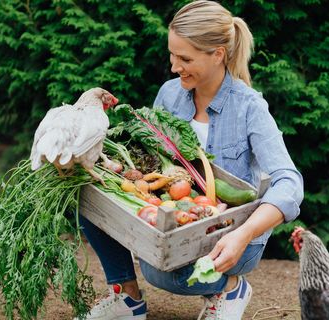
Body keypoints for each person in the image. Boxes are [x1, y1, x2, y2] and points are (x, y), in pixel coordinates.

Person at [78, 1, 304, 319]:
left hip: (230, 235)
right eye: (172, 55)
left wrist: (244, 233)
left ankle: (231, 288)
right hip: (178, 219)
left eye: (185, 58)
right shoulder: (170, 95)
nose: (174, 66)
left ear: (218, 54)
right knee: (87, 192)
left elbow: (289, 183)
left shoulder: (249, 108)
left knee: (162, 274)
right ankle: (127, 299)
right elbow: (152, 160)